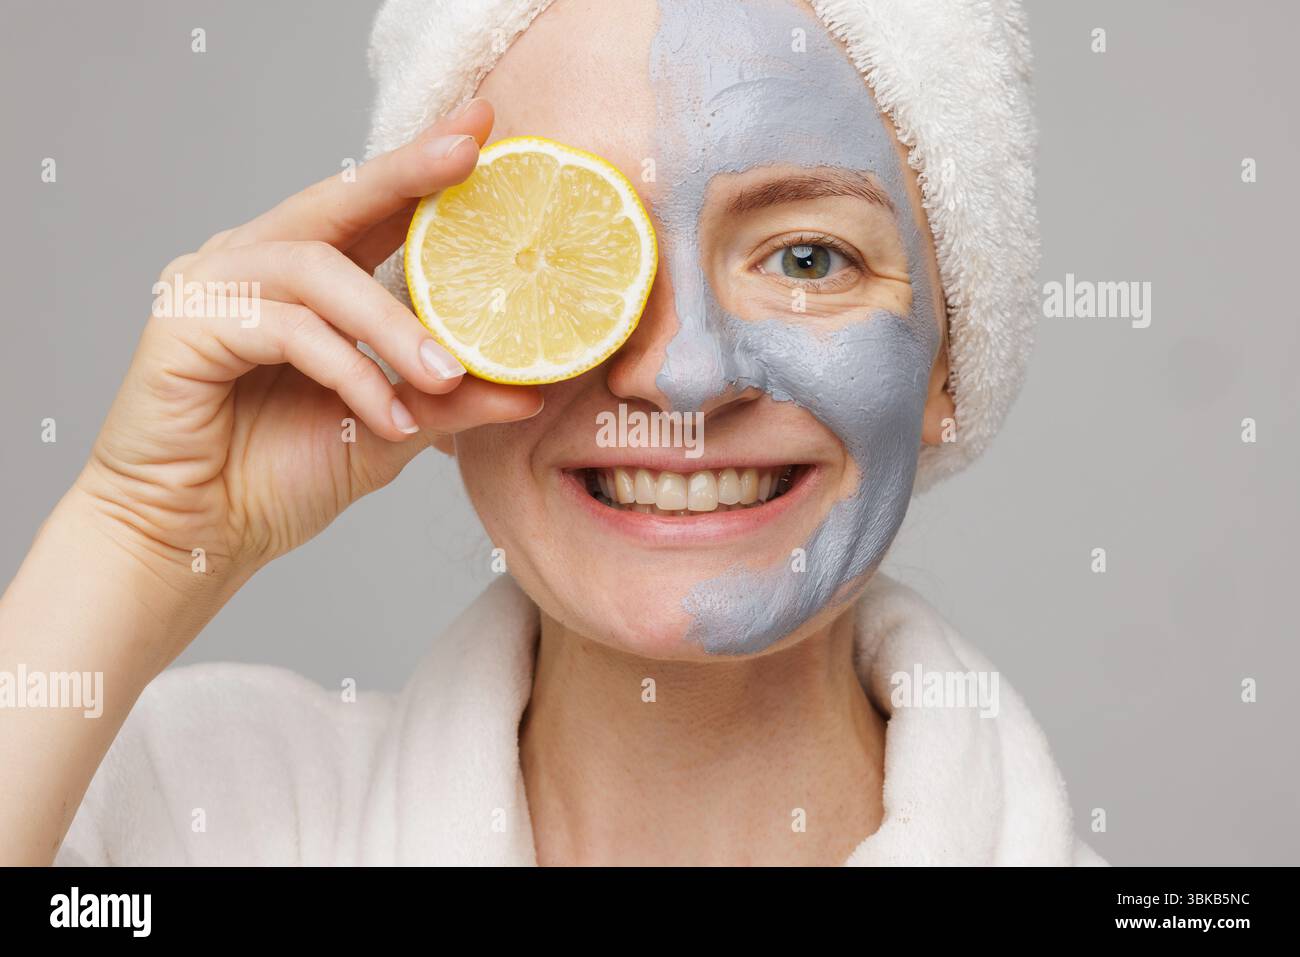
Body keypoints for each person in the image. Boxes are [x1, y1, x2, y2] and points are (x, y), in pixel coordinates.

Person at [0, 0, 1105, 866]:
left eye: (806, 257)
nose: (682, 374)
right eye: (571, 249)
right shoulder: (194, 817)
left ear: (949, 361)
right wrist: (136, 536)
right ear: (445, 311)